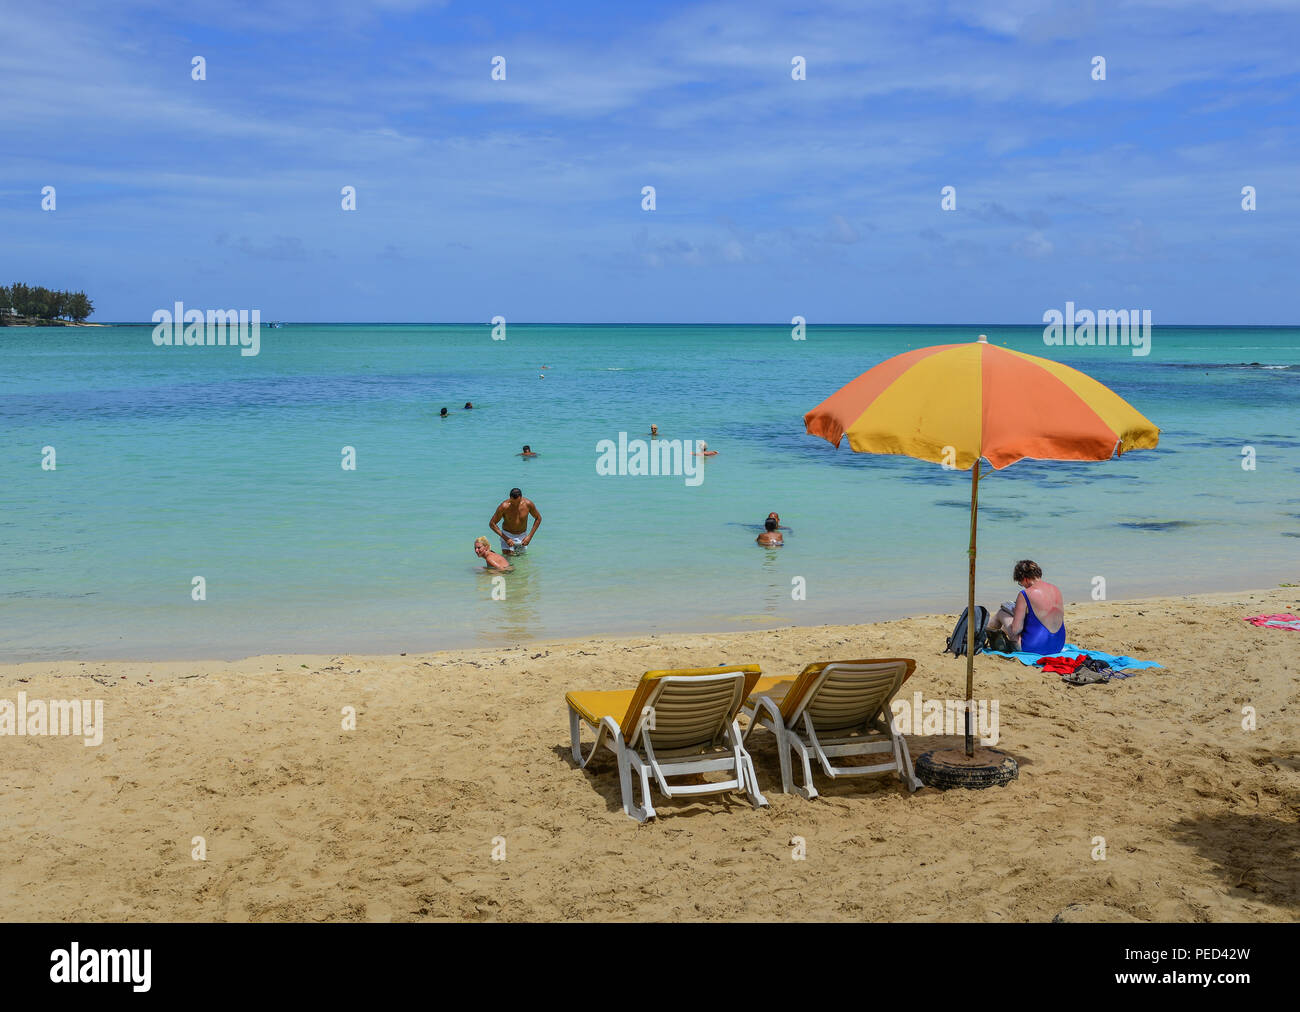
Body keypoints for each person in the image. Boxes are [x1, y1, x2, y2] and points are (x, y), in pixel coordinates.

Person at [988, 559, 1066, 654]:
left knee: (1001, 613)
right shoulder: (1056, 589)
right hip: (1058, 645)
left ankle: (987, 630)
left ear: (1025, 579)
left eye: (1021, 583)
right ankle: (993, 630)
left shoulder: (1025, 594)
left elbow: (1016, 630)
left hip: (1035, 648)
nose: (1023, 586)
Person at [489, 487, 541, 554]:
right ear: (510, 498)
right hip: (507, 535)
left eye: (518, 502)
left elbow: (538, 518)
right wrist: (506, 538)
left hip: (522, 536)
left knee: (520, 560)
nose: (515, 505)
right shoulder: (504, 506)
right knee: (508, 559)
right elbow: (492, 523)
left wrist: (529, 537)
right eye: (513, 502)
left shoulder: (528, 504)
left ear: (521, 498)